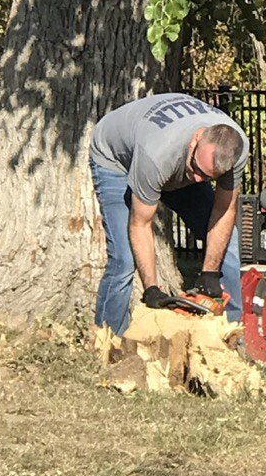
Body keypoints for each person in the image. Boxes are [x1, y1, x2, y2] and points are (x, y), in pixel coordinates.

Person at [89, 92, 249, 335]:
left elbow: (223, 211)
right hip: (116, 161)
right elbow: (140, 225)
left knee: (229, 244)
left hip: (170, 162)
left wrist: (210, 274)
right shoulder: (157, 154)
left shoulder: (236, 150)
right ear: (196, 139)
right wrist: (152, 289)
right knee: (123, 260)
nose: (197, 179)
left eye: (207, 177)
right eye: (196, 169)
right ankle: (108, 341)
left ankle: (229, 339)